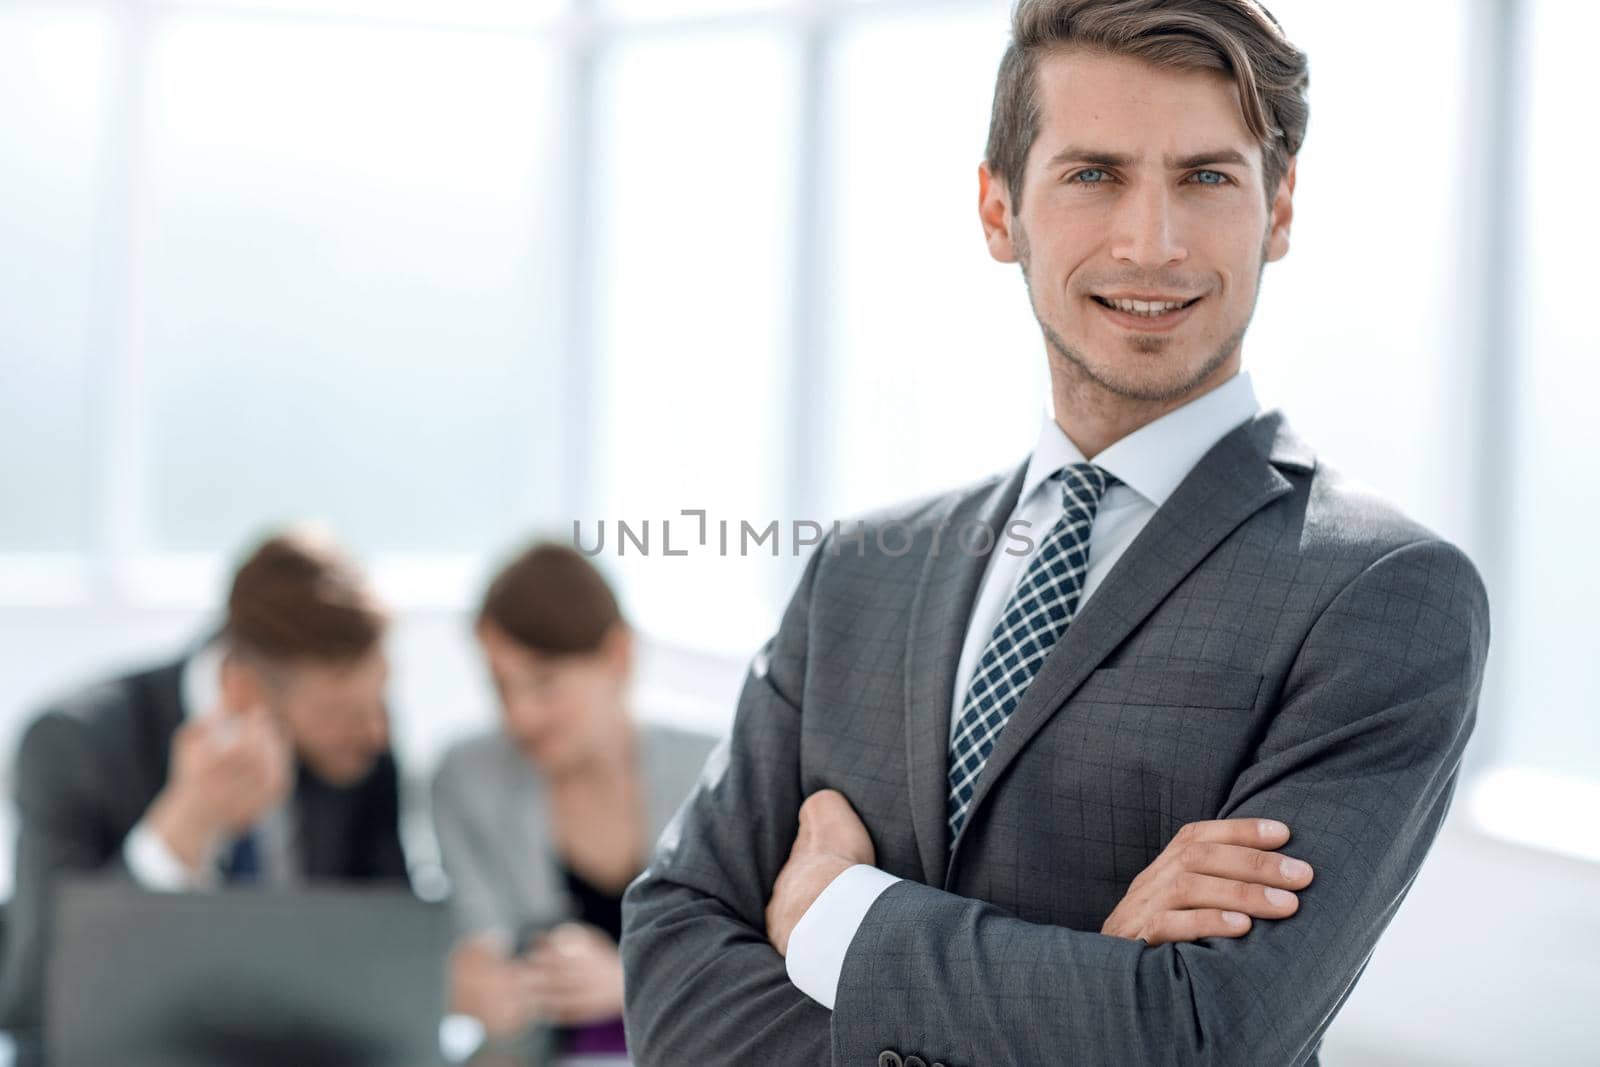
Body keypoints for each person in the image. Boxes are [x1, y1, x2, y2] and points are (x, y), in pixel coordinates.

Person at [620, 2, 1490, 1065]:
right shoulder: (859, 571)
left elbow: (1201, 1030)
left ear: (1280, 207)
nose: (1151, 242)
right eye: (1093, 175)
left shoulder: (1380, 595)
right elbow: (669, 963)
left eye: (1206, 177)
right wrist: (1085, 989)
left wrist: (833, 916)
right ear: (999, 211)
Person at [0, 528, 408, 1031]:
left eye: (380, 697)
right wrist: (175, 837)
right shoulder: (74, 746)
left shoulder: (361, 752)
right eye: (338, 712)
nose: (375, 732)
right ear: (245, 690)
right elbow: (34, 999)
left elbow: (396, 951)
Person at [431, 542, 714, 1057]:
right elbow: (477, 937)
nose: (521, 716)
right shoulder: (467, 778)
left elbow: (757, 963)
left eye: (544, 684)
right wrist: (475, 985)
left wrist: (633, 981)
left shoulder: (715, 772)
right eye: (501, 687)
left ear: (618, 656)